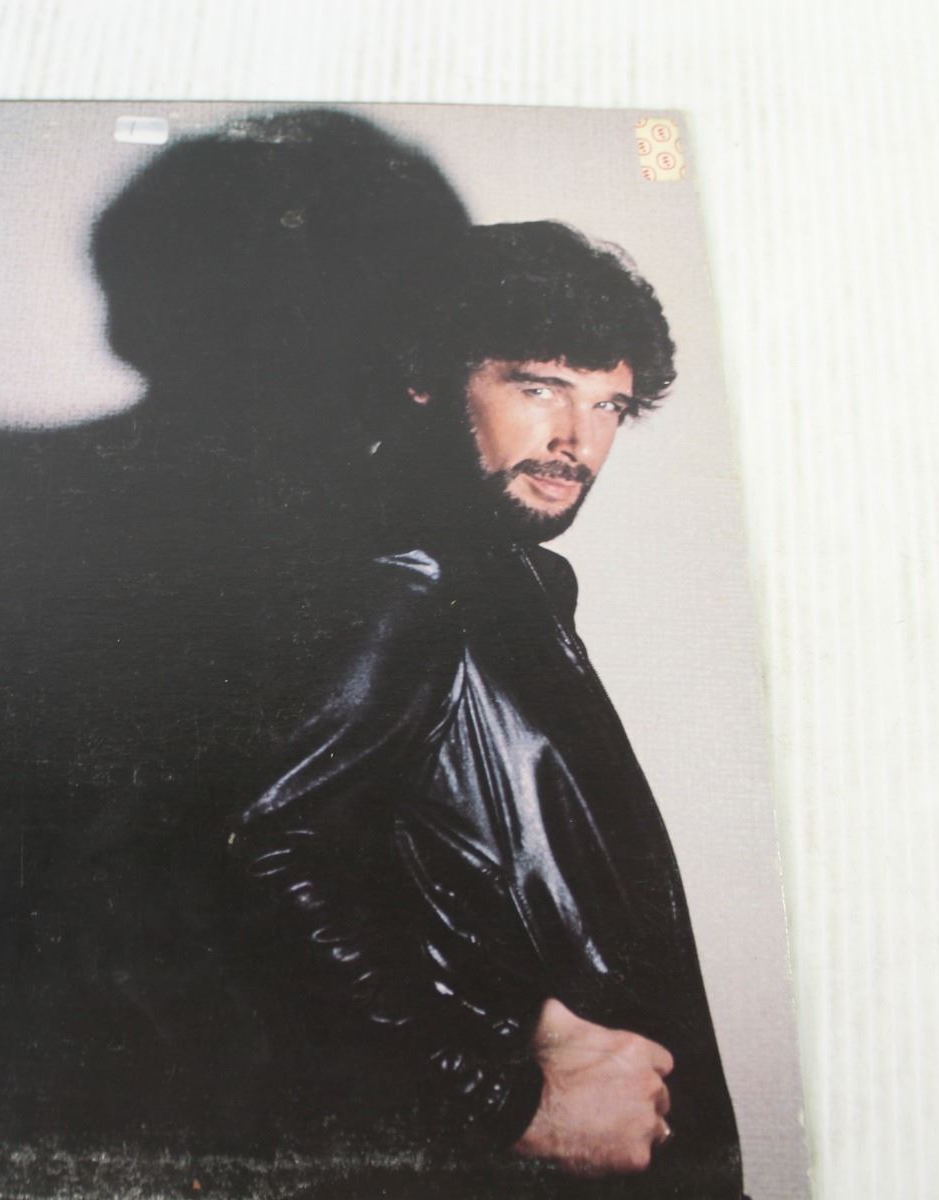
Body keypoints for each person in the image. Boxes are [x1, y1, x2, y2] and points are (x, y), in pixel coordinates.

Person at [232, 221, 745, 1197]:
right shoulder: (405, 578)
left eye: (608, 405)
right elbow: (257, 865)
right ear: (427, 377)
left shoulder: (511, 582)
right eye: (539, 388)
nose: (576, 441)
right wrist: (507, 1103)